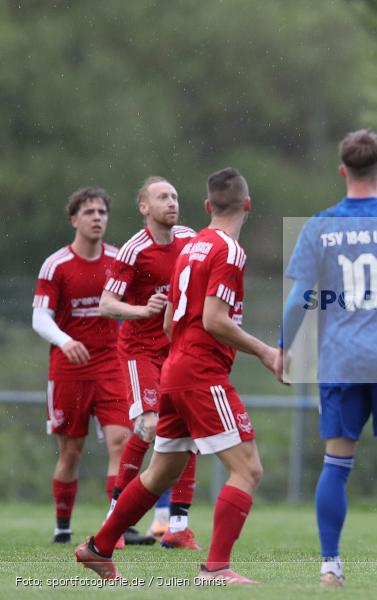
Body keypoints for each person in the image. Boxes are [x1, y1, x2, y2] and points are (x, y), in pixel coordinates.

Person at [75, 168, 278, 584]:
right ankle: (216, 569)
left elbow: (170, 321)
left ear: (206, 206)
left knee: (161, 471)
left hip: (174, 368)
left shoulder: (192, 245)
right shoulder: (229, 251)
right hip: (201, 372)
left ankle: (98, 547)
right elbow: (216, 321)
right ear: (248, 205)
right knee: (248, 469)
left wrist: (184, 351)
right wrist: (264, 351)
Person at [279, 129, 377, 589]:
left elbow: (298, 301)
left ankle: (331, 566)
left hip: (340, 360)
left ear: (343, 171)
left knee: (336, 463)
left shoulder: (319, 227)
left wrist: (283, 347)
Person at [99, 177, 199, 549]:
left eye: (174, 195)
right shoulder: (133, 250)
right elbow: (107, 304)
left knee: (187, 430)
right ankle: (116, 515)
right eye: (162, 197)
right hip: (140, 351)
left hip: (178, 351)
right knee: (149, 425)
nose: (171, 202)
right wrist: (142, 310)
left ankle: (177, 527)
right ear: (144, 207)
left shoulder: (191, 240)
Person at [31, 187, 131, 544]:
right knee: (70, 451)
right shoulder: (56, 264)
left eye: (102, 212)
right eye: (89, 212)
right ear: (74, 219)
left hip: (111, 364)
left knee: (121, 440)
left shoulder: (119, 260)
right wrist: (65, 340)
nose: (97, 218)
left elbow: (133, 306)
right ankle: (62, 525)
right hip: (69, 368)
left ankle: (114, 527)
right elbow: (39, 317)